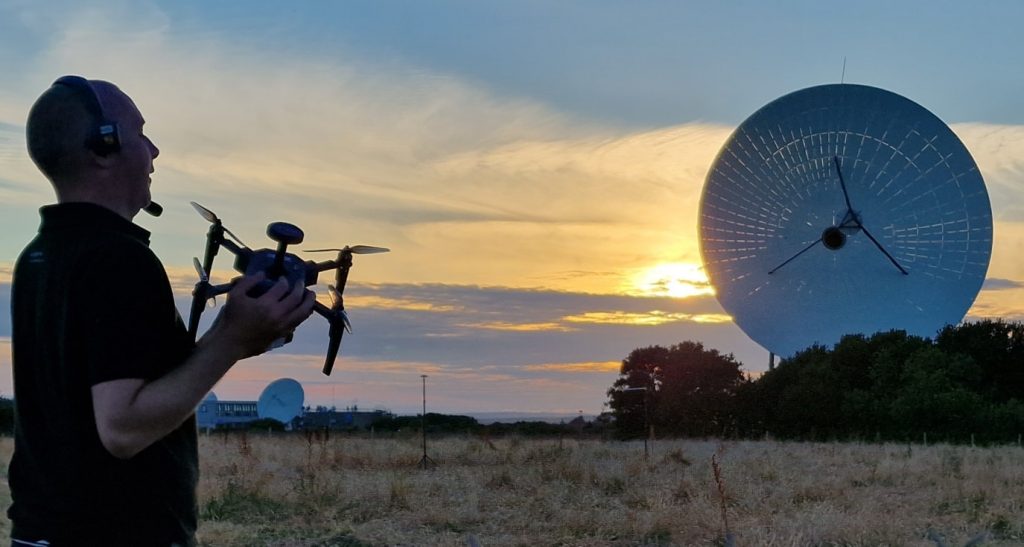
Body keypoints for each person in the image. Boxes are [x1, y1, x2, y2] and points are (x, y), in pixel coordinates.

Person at [7, 76, 315, 546]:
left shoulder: (39, 256)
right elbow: (122, 428)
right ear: (103, 146)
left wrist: (232, 333)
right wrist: (231, 340)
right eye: (141, 133)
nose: (154, 151)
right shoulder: (117, 259)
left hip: (42, 532)